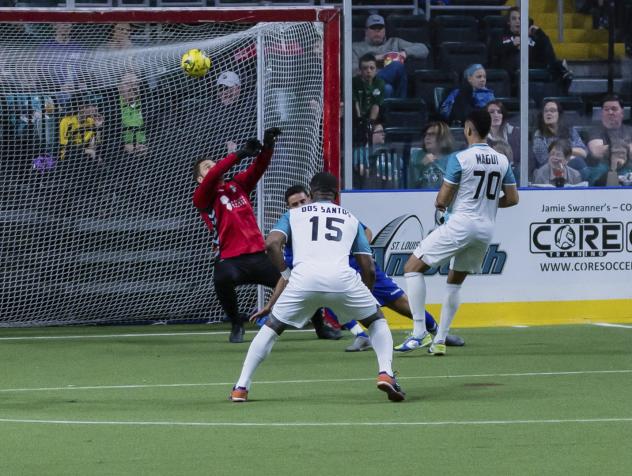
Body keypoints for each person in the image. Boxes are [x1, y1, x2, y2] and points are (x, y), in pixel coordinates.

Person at [230, 172, 406, 403]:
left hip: (303, 281)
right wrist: (366, 294)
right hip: (342, 279)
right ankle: (386, 373)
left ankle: (241, 387)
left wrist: (286, 273)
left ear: (311, 194)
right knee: (376, 321)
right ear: (337, 194)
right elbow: (368, 266)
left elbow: (271, 244)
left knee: (272, 328)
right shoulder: (350, 218)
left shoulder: (293, 214)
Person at [252, 185, 465, 352]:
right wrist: (271, 304)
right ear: (289, 208)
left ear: (310, 198)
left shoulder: (334, 214)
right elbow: (286, 276)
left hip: (358, 267)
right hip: (334, 277)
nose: (299, 206)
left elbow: (367, 232)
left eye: (302, 201)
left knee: (399, 303)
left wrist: (356, 254)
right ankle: (361, 336)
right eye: (294, 204)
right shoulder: (292, 235)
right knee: (326, 293)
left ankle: (437, 332)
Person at [401, 109, 519, 355]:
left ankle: (419, 331)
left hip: (461, 223)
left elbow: (442, 198)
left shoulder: (460, 158)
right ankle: (440, 340)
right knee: (455, 283)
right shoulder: (502, 160)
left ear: (468, 129)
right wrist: (487, 204)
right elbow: (513, 199)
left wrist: (442, 207)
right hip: (485, 230)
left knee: (412, 267)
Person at [192, 127, 282, 343]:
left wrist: (267, 147)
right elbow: (216, 174)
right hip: (231, 259)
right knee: (221, 278)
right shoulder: (202, 196)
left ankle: (320, 326)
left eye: (214, 164)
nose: (213, 168)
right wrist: (239, 154)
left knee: (293, 281)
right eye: (207, 167)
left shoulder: (237, 185)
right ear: (199, 179)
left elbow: (258, 168)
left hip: (259, 255)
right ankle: (236, 323)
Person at [489, 7, 572, 95]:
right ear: (508, 22)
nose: (517, 21)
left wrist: (540, 33)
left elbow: (550, 56)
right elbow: (492, 53)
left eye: (520, 18)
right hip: (510, 73)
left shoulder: (533, 38)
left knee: (554, 65)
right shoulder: (500, 36)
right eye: (514, 18)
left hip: (530, 74)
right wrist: (511, 45)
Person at [352, 13, 430, 99]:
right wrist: (373, 60)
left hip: (388, 88)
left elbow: (424, 49)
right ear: (366, 31)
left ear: (385, 31)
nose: (377, 31)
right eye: (373, 28)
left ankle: (397, 106)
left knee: (387, 88)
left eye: (380, 28)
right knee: (396, 66)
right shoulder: (355, 47)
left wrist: (404, 53)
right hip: (366, 86)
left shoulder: (394, 42)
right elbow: (352, 71)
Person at [531, 99, 588, 178]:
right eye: (546, 111)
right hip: (548, 171)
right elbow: (544, 159)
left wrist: (563, 152)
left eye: (552, 111)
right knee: (578, 162)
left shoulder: (570, 130)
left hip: (571, 168)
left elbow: (583, 152)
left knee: (579, 163)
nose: (548, 113)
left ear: (559, 114)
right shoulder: (539, 135)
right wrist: (570, 155)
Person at [587, 95, 632, 186]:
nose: (610, 112)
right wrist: (625, 147)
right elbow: (596, 152)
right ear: (602, 113)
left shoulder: (630, 130)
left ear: (622, 112)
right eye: (606, 109)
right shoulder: (595, 131)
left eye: (614, 109)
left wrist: (611, 148)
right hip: (602, 173)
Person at [352, 121, 404, 189]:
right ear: (369, 135)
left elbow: (403, 170)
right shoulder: (360, 152)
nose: (383, 134)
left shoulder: (388, 153)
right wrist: (383, 178)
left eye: (383, 132)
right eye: (380, 132)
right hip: (369, 191)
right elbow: (361, 170)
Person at [408, 121, 455, 189]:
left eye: (432, 134)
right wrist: (421, 166)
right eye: (426, 135)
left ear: (443, 138)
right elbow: (409, 186)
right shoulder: (416, 156)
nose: (427, 138)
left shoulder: (454, 159)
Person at [352, 53, 385, 146]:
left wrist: (370, 123)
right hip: (355, 117)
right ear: (360, 70)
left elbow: (376, 105)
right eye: (365, 68)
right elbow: (356, 102)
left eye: (372, 68)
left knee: (377, 130)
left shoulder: (380, 83)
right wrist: (360, 121)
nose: (368, 71)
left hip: (373, 118)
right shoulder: (354, 82)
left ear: (376, 70)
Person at [486, 100, 521, 179]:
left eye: (499, 112)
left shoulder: (515, 133)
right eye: (491, 112)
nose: (496, 115)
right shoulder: (480, 137)